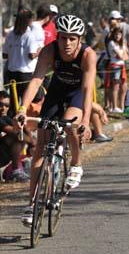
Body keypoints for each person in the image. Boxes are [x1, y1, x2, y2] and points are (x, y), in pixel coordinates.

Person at [15, 14, 96, 226]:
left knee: (70, 126)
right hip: (57, 92)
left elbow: (88, 90)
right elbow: (36, 80)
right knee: (40, 148)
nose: (67, 43)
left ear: (79, 39)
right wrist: (22, 108)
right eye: (63, 38)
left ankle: (77, 164)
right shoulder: (50, 51)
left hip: (77, 95)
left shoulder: (88, 55)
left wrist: (86, 122)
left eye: (72, 38)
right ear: (57, 37)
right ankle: (32, 204)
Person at [2, 9, 39, 106]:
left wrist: (14, 52)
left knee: (14, 103)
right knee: (26, 103)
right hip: (25, 75)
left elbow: (4, 55)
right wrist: (40, 50)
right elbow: (31, 56)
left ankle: (11, 119)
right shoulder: (30, 35)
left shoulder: (10, 34)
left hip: (12, 73)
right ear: (29, 21)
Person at [0, 91, 33, 181]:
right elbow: (15, 133)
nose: (3, 108)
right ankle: (16, 171)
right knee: (18, 137)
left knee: (21, 132)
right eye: (0, 104)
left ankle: (15, 169)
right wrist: (33, 143)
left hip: (3, 156)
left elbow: (23, 127)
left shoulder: (5, 118)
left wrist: (23, 123)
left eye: (7, 106)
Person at [106, 27, 128, 113]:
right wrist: (122, 54)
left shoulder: (122, 43)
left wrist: (122, 54)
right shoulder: (111, 43)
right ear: (113, 35)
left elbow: (126, 57)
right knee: (115, 87)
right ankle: (114, 106)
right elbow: (121, 56)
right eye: (116, 34)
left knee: (124, 87)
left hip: (122, 66)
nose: (117, 36)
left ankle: (121, 107)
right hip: (115, 66)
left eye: (119, 34)